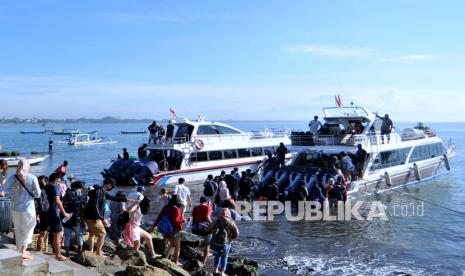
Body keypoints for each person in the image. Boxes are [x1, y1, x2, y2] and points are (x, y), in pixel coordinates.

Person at [0, 160, 40, 260]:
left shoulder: (12, 177)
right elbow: (38, 194)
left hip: (14, 208)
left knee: (18, 229)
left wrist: (13, 195)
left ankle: (20, 249)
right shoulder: (32, 177)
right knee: (29, 228)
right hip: (28, 208)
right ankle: (23, 251)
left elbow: (3, 191)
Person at [84, 178, 125, 256]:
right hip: (93, 218)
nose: (112, 188)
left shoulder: (102, 192)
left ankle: (91, 251)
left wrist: (127, 199)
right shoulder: (98, 192)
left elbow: (113, 198)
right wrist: (102, 219)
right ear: (108, 184)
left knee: (92, 234)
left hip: (91, 217)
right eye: (112, 186)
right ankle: (98, 253)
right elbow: (95, 206)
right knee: (103, 233)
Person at [151, 195, 185, 265]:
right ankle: (175, 261)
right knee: (177, 247)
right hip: (174, 230)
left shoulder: (165, 207)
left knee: (171, 244)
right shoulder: (177, 209)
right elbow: (176, 220)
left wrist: (153, 226)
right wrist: (183, 220)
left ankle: (165, 257)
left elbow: (159, 217)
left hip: (164, 229)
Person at [124, 191, 158, 259]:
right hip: (132, 227)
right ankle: (133, 259)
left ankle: (153, 254)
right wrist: (135, 204)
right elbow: (128, 211)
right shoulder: (137, 206)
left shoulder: (141, 206)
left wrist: (133, 201)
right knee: (137, 245)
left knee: (149, 237)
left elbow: (129, 200)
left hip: (136, 227)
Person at [45, 172, 70, 261]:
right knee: (58, 233)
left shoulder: (46, 186)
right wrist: (64, 213)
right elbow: (58, 201)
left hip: (46, 212)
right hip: (54, 212)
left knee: (53, 233)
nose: (60, 181)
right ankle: (58, 255)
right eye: (60, 179)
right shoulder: (56, 186)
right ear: (56, 179)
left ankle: (56, 253)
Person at [208, 208, 239, 276]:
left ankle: (215, 270)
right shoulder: (231, 223)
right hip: (226, 244)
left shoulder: (216, 221)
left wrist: (213, 230)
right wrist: (231, 238)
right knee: (224, 257)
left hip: (215, 243)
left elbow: (209, 229)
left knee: (217, 256)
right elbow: (237, 234)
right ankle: (222, 272)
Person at [62, 180, 87, 257]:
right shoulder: (82, 195)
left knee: (67, 235)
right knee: (79, 235)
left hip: (67, 218)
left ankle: (67, 253)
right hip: (77, 218)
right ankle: (79, 252)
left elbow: (63, 204)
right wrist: (83, 221)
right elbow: (83, 209)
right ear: (80, 187)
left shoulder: (67, 194)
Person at [192, 196, 213, 265]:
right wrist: (212, 224)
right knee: (207, 244)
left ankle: (205, 253)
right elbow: (207, 217)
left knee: (202, 242)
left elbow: (193, 217)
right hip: (204, 229)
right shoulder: (207, 207)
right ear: (207, 202)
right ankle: (204, 261)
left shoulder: (195, 208)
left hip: (196, 229)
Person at [36, 175, 49, 253]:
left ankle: (42, 250)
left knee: (44, 233)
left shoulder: (42, 190)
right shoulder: (41, 190)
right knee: (42, 233)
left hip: (44, 213)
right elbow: (37, 204)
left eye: (41, 181)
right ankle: (40, 252)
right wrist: (37, 215)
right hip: (42, 214)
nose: (39, 183)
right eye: (39, 181)